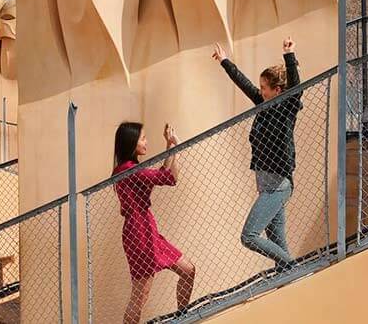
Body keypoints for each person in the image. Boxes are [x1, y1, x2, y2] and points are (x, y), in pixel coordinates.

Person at [213, 37, 301, 269]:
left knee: (249, 236)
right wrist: (225, 62)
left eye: (264, 88)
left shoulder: (286, 109)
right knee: (277, 242)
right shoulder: (263, 104)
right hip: (266, 186)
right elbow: (244, 85)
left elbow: (296, 90)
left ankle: (292, 267)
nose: (260, 91)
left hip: (278, 185)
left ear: (277, 90)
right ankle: (287, 276)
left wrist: (289, 56)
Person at [114, 121, 195, 324]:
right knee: (140, 294)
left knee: (188, 270)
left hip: (146, 229)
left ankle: (182, 317)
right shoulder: (130, 170)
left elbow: (161, 175)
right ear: (131, 142)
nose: (146, 141)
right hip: (140, 233)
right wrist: (175, 148)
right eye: (142, 138)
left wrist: (169, 147)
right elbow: (170, 178)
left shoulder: (130, 169)